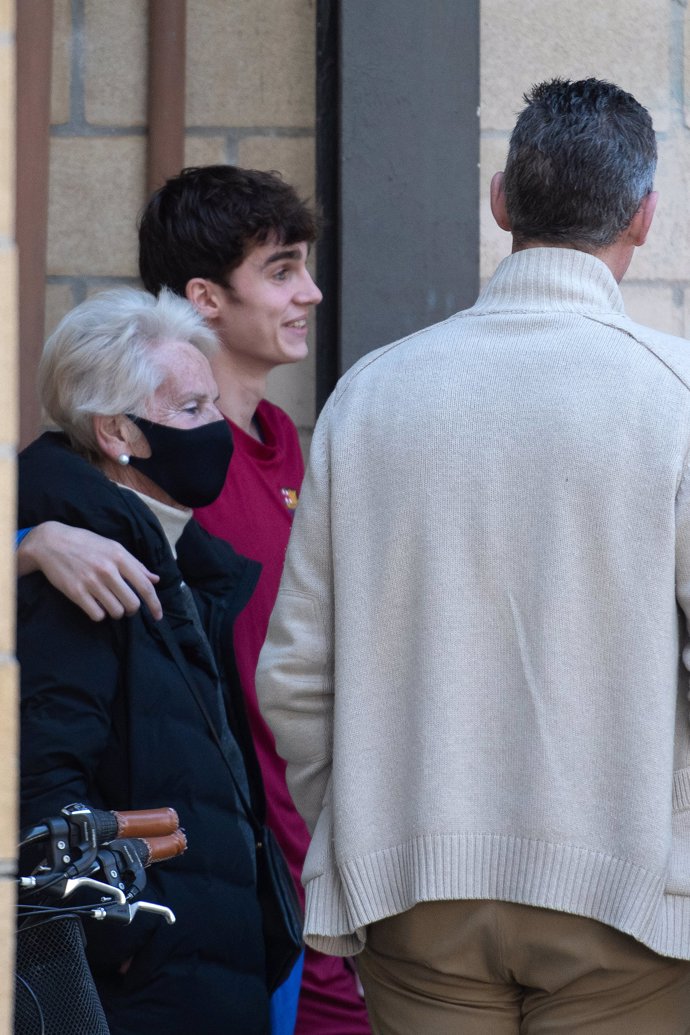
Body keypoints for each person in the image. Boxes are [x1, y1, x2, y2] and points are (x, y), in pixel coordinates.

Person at [255, 78, 690, 1035]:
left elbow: (292, 675)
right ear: (646, 218)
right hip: (628, 902)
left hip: (413, 891)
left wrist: (371, 825)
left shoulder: (372, 393)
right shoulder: (676, 399)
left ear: (500, 199)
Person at [18, 166, 372, 1035]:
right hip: (160, 962)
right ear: (118, 432)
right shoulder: (84, 553)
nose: (310, 292)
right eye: (281, 269)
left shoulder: (198, 537)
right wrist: (26, 546)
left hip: (254, 923)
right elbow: (47, 786)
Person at [18, 288, 270, 1034]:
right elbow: (45, 781)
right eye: (192, 410)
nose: (217, 429)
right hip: (142, 991)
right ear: (117, 430)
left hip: (200, 976)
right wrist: (129, 940)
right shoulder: (84, 569)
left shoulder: (176, 560)